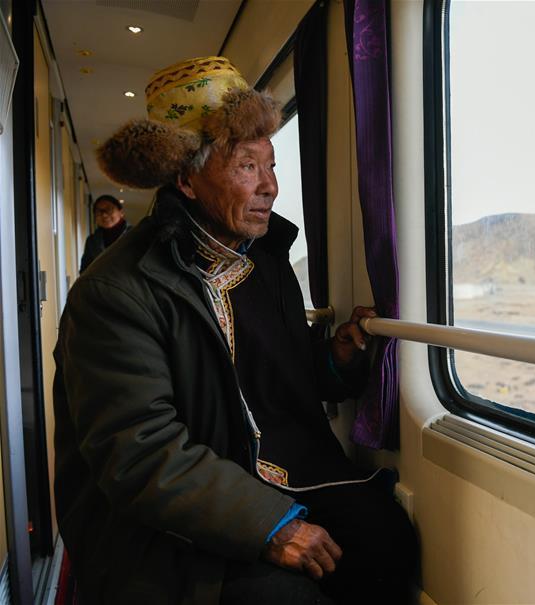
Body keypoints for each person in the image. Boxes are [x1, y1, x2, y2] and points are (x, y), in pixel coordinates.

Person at [53, 56, 416, 605]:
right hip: (161, 518)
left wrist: (334, 360)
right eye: (248, 165)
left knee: (385, 539)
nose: (270, 187)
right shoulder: (114, 293)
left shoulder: (262, 260)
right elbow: (139, 453)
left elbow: (275, 377)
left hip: (274, 472)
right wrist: (270, 527)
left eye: (271, 165)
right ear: (185, 179)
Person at [79, 194, 130, 272]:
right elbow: (85, 270)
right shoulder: (92, 241)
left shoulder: (135, 234)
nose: (104, 215)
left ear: (121, 212)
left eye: (109, 209)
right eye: (99, 212)